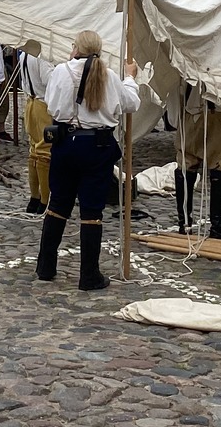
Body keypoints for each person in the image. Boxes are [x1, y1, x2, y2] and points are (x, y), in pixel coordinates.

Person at [37, 29, 140, 291]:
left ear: (76, 48)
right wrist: (130, 78)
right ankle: (88, 275)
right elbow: (131, 103)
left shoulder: (61, 71)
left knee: (58, 204)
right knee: (92, 212)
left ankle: (46, 267)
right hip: (96, 147)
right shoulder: (110, 76)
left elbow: (51, 104)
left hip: (65, 144)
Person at [176, 84, 221, 239]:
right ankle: (216, 226)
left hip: (192, 111)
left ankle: (185, 224)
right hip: (215, 111)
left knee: (187, 163)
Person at [18, 42, 52, 214]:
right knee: (45, 152)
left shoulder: (24, 54)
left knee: (34, 150)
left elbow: (23, 82)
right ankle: (45, 200)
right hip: (42, 105)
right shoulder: (42, 54)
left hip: (31, 102)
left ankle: (34, 197)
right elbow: (48, 80)